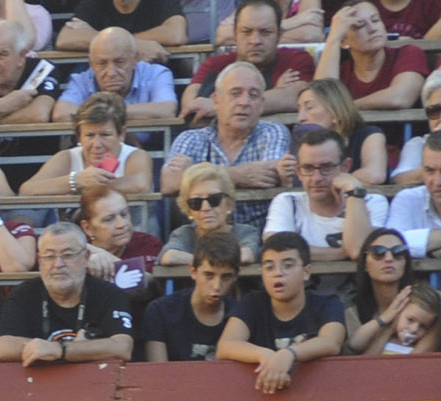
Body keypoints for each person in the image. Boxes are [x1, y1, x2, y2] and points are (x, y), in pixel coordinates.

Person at [163, 65, 291, 233]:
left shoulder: (273, 132)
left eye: (253, 95)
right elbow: (169, 183)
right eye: (235, 93)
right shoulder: (191, 138)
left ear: (261, 105)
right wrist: (238, 175)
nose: (244, 102)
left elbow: (270, 174)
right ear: (216, 101)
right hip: (204, 240)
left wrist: (194, 173)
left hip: (260, 242)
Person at [0, 222, 137, 366]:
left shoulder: (109, 294)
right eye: (49, 256)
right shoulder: (23, 294)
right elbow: (1, 348)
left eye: (67, 255)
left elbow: (122, 348)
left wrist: (59, 349)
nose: (58, 264)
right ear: (40, 261)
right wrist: (79, 351)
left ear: (86, 257)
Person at [218, 232, 347, 391]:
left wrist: (288, 354)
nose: (277, 273)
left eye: (288, 265)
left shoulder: (327, 303)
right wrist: (264, 355)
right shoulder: (252, 303)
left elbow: (331, 342)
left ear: (306, 271)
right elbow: (225, 345)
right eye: (269, 267)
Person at [267, 125, 387, 260]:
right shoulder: (288, 201)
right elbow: (276, 248)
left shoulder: (371, 202)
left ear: (345, 167)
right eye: (308, 168)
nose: (316, 178)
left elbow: (356, 250)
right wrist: (340, 253)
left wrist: (354, 193)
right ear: (298, 172)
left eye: (327, 167)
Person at [181, 0, 314, 120]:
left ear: (279, 35)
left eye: (265, 32)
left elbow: (293, 97)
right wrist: (275, 92)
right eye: (247, 32)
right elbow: (190, 102)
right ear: (234, 34)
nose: (255, 41)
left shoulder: (296, 60)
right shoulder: (215, 64)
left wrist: (218, 104)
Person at [22, 92, 155, 199]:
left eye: (105, 135)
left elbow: (140, 185)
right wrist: (76, 181)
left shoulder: (135, 155)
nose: (97, 144)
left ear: (121, 134)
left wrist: (92, 186)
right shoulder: (67, 157)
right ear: (79, 136)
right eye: (90, 135)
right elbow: (27, 189)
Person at [142, 228, 243, 359]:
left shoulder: (242, 315)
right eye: (209, 275)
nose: (217, 286)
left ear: (236, 276)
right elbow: (157, 373)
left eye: (226, 277)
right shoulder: (160, 312)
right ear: (193, 271)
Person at [317, 3, 427, 110]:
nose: (372, 28)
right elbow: (322, 103)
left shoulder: (408, 53)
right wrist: (334, 38)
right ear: (343, 41)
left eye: (375, 20)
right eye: (360, 26)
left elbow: (400, 97)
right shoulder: (340, 71)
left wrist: (346, 109)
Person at [53, 28, 177, 120]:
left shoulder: (156, 73)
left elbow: (167, 110)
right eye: (102, 63)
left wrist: (103, 113)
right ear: (91, 64)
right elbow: (61, 113)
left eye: (119, 62)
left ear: (135, 59)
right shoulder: (81, 79)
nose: (111, 72)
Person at [160, 161, 261, 265]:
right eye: (196, 202)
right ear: (189, 210)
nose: (205, 208)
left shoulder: (245, 232)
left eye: (214, 199)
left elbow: (246, 256)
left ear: (229, 204)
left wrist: (203, 264)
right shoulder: (185, 234)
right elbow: (169, 256)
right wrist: (212, 263)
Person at [343, 229, 421, 352]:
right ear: (365, 264)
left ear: (406, 262)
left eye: (398, 252)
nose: (389, 258)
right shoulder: (351, 310)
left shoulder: (424, 303)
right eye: (378, 252)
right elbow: (359, 365)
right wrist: (386, 320)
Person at [76, 185, 160, 295]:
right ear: (87, 228)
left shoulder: (147, 243)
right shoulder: (76, 251)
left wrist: (104, 256)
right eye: (109, 219)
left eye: (124, 214)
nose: (122, 224)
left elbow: (147, 287)